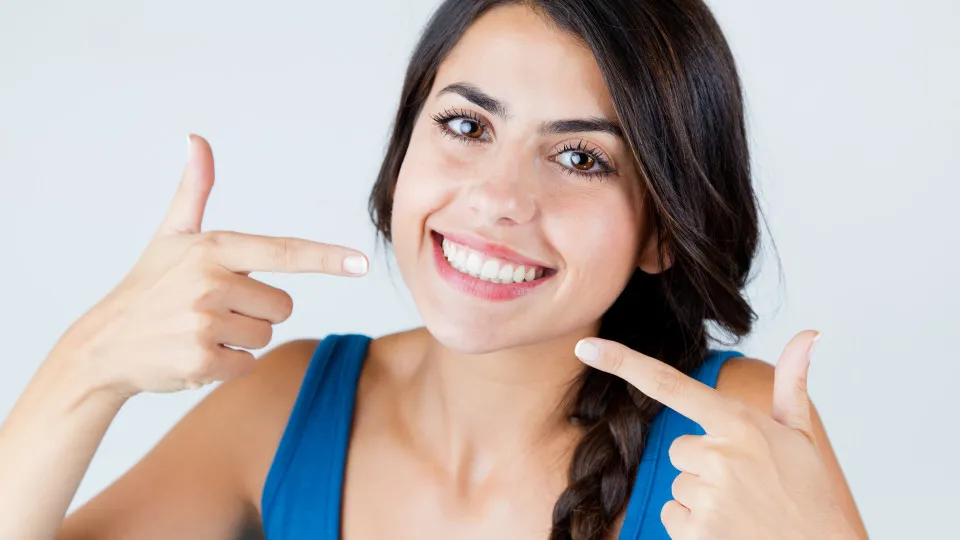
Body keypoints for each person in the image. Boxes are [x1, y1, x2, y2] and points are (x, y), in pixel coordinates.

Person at [0, 1, 869, 539]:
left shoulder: (734, 434)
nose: (498, 200)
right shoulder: (285, 408)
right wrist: (89, 365)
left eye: (580, 158)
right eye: (467, 126)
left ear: (663, 231)